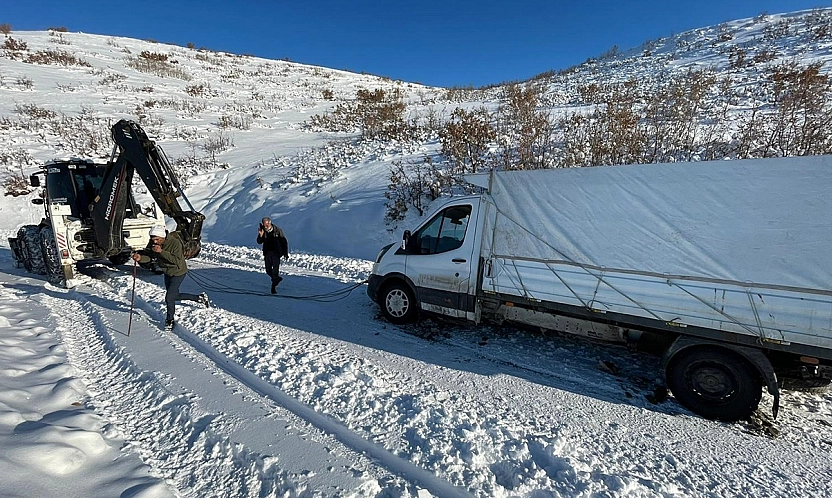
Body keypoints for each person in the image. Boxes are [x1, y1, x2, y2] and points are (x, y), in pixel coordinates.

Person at [132, 226, 209, 329]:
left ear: (163, 237)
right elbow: (150, 257)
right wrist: (140, 258)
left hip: (178, 272)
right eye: (153, 239)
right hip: (167, 272)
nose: (154, 241)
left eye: (157, 239)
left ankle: (170, 320)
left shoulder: (175, 243)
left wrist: (161, 252)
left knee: (169, 297)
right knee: (174, 296)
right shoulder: (154, 243)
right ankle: (199, 298)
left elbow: (176, 260)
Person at [256, 217, 289, 294]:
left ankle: (273, 287)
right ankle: (276, 279)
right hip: (267, 253)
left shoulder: (278, 230)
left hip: (276, 253)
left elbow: (284, 242)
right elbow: (259, 242)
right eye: (264, 224)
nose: (265, 226)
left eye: (266, 224)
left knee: (275, 271)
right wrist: (260, 235)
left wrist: (285, 253)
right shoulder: (263, 231)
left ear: (269, 223)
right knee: (268, 270)